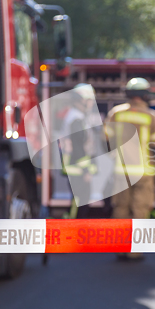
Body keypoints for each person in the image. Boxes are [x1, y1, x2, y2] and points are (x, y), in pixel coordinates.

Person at [105, 78, 155, 260]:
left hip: (121, 171)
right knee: (140, 210)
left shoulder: (116, 114)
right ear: (145, 95)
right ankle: (135, 250)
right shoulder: (152, 117)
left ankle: (120, 247)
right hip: (143, 172)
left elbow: (105, 141)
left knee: (120, 209)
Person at [60, 83, 97, 219]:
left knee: (81, 202)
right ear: (82, 100)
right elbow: (78, 148)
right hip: (77, 170)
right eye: (90, 100)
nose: (92, 103)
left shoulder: (77, 117)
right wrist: (86, 171)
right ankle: (73, 232)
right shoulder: (76, 119)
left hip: (76, 169)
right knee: (80, 203)